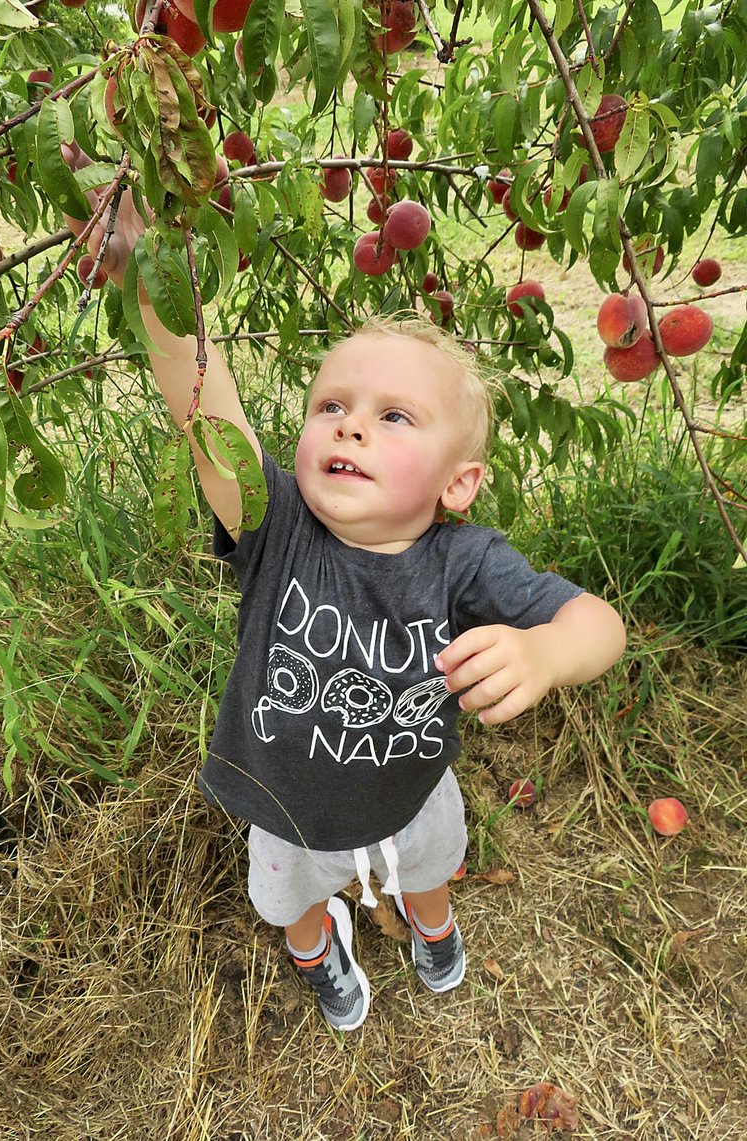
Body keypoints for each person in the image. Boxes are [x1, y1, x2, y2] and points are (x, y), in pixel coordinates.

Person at [64, 161, 626, 1032]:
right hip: (284, 806)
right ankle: (316, 949)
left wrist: (546, 651)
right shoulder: (274, 522)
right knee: (290, 899)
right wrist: (148, 279)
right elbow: (202, 404)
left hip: (412, 791)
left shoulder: (466, 563)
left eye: (394, 416)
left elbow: (599, 623)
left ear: (460, 481)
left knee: (431, 869)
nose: (351, 424)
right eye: (332, 404)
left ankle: (431, 929)